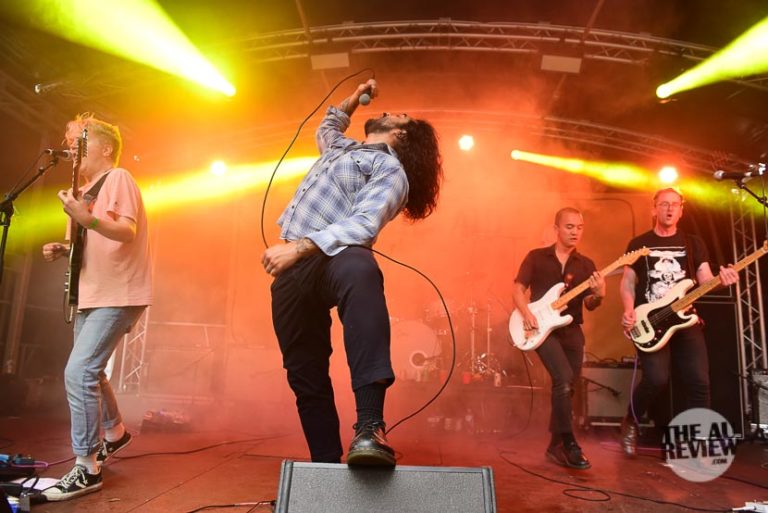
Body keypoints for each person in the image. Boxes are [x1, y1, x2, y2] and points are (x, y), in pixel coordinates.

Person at [261, 79, 443, 466]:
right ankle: (325, 465)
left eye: (399, 115)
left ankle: (370, 427)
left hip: (332, 257)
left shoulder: (390, 169)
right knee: (304, 372)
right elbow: (327, 127)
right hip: (293, 270)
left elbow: (363, 224)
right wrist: (353, 98)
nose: (388, 110)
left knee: (361, 268)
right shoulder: (342, 149)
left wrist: (297, 247)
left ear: (401, 135)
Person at [40, 114, 152, 500]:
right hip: (91, 295)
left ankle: (87, 468)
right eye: (69, 140)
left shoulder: (118, 178)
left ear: (104, 147)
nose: (70, 146)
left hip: (118, 293)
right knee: (92, 373)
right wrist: (64, 248)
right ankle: (115, 434)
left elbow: (126, 231)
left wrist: (86, 219)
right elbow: (90, 243)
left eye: (79, 139)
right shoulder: (82, 190)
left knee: (79, 372)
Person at [619, 187, 738, 456]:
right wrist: (628, 310)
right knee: (656, 379)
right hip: (651, 320)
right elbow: (627, 282)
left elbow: (705, 281)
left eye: (675, 204)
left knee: (699, 381)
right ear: (654, 209)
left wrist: (723, 281)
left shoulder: (692, 243)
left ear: (682, 210)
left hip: (685, 319)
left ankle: (698, 440)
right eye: (664, 204)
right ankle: (630, 421)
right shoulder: (639, 243)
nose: (670, 209)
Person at [512, 208, 605, 470]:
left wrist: (599, 294)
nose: (575, 232)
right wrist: (526, 313)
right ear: (556, 229)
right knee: (563, 379)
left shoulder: (586, 265)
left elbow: (591, 304)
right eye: (569, 226)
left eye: (579, 227)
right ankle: (569, 442)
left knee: (569, 386)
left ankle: (554, 446)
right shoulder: (536, 257)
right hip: (541, 329)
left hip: (571, 328)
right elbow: (518, 289)